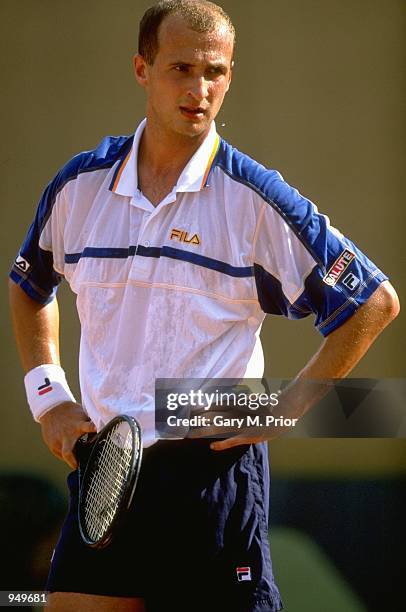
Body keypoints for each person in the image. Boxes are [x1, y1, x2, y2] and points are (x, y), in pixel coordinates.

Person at [8, 1, 399, 611]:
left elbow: (373, 302)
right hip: (105, 469)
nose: (199, 89)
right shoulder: (78, 186)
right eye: (180, 68)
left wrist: (286, 407)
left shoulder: (255, 199)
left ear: (231, 76)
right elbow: (31, 288)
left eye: (215, 71)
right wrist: (48, 398)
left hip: (213, 479)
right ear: (142, 69)